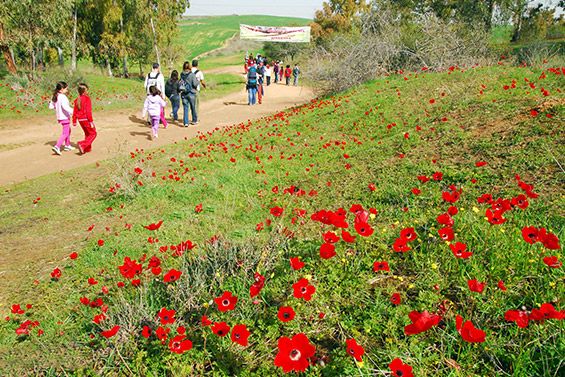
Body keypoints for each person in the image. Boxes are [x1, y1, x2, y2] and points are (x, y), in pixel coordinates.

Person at [48, 81, 74, 155]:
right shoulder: (62, 97)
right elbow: (66, 107)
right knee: (65, 133)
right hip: (64, 117)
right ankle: (57, 146)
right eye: (66, 89)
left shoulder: (56, 96)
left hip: (60, 117)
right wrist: (74, 112)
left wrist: (57, 108)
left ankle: (67, 145)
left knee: (68, 130)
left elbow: (51, 106)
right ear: (61, 89)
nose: (67, 90)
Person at [72, 83, 96, 154]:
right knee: (93, 133)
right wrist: (91, 121)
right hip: (86, 119)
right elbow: (88, 111)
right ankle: (82, 144)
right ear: (85, 91)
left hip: (80, 120)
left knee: (87, 134)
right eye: (87, 90)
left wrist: (74, 121)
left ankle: (87, 149)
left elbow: (75, 111)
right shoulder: (87, 99)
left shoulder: (77, 100)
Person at [144, 63, 167, 128]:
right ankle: (158, 119)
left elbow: (145, 85)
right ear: (158, 68)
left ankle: (149, 119)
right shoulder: (160, 75)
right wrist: (163, 95)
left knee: (150, 105)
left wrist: (148, 91)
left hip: (149, 93)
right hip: (157, 94)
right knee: (158, 107)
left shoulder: (148, 75)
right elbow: (162, 86)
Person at [180, 61, 199, 126]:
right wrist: (198, 81)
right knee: (193, 107)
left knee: (185, 108)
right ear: (189, 66)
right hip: (191, 93)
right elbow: (194, 84)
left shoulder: (181, 74)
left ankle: (186, 122)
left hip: (183, 93)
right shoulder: (192, 75)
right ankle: (194, 120)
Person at [191, 59, 205, 124]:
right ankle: (195, 119)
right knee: (196, 104)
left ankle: (190, 117)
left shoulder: (189, 71)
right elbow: (202, 81)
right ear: (197, 65)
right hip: (196, 89)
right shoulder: (199, 72)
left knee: (190, 105)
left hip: (189, 90)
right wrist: (204, 86)